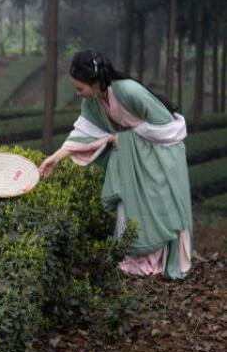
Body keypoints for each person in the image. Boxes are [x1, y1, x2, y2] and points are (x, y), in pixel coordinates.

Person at [39, 50, 192, 279]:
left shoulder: (129, 91)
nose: (78, 93)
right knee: (126, 202)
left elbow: (168, 128)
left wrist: (125, 138)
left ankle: (159, 260)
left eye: (80, 88)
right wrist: (56, 157)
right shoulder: (93, 102)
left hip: (160, 154)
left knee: (159, 203)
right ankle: (128, 258)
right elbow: (85, 131)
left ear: (96, 82)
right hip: (132, 159)